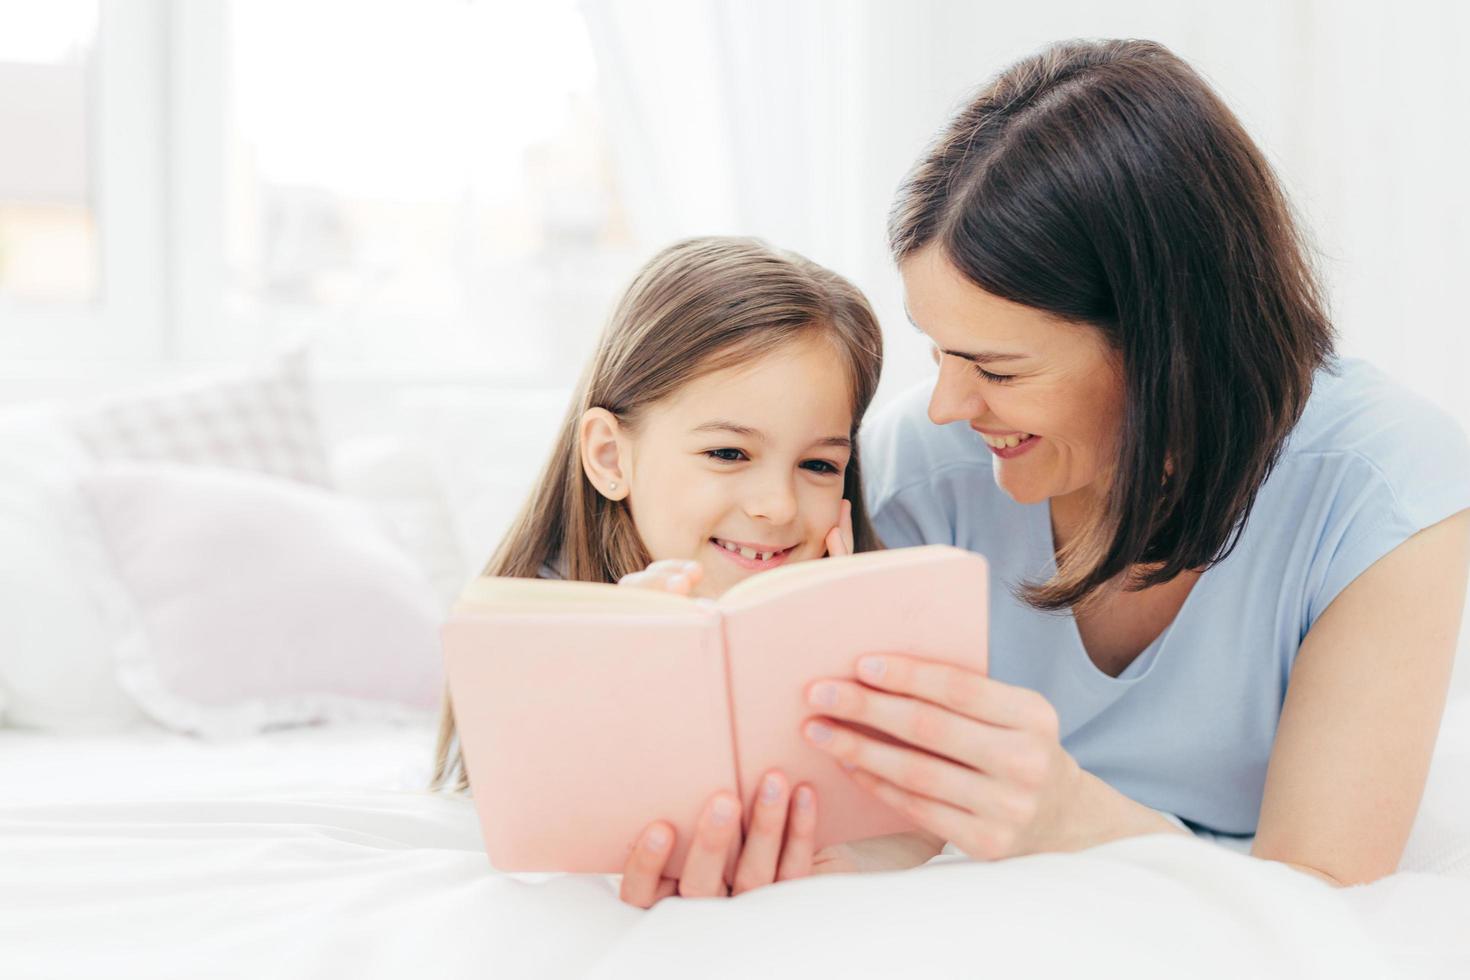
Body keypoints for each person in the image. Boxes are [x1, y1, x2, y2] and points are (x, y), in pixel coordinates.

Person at [797, 38, 1470, 886]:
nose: (948, 407)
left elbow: (1325, 888)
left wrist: (1069, 819)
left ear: (1164, 348)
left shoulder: (1384, 489)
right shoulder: (920, 470)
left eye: (999, 369)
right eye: (939, 354)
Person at [430, 236, 943, 906]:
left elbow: (917, 830)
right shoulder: (547, 624)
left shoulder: (883, 639)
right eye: (729, 453)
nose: (777, 506)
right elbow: (519, 810)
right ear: (611, 458)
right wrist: (616, 673)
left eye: (818, 464)